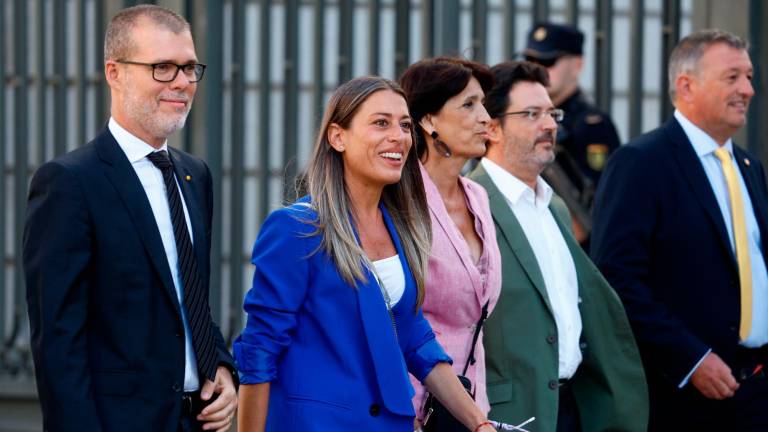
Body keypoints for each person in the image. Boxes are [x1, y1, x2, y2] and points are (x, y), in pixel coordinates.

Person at [233, 76, 496, 432]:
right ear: (337, 136)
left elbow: (414, 337)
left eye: (404, 125)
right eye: (380, 123)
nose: (398, 136)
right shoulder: (297, 228)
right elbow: (260, 349)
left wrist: (479, 424)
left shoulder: (399, 227)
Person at [23, 5, 237, 432]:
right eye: (162, 67)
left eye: (189, 67)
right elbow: (58, 345)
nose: (181, 82)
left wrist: (222, 367)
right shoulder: (69, 182)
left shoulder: (195, 176)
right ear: (114, 72)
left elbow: (188, 298)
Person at [591, 29, 768, 431]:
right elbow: (617, 278)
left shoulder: (748, 166)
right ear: (686, 85)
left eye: (750, 76)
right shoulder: (641, 162)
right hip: (683, 395)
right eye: (732, 77)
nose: (748, 89)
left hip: (755, 391)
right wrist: (689, 359)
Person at [466, 60, 648, 432]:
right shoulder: (470, 203)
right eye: (532, 114)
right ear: (493, 127)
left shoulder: (555, 207)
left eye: (552, 113)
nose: (550, 125)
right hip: (507, 416)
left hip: (573, 409)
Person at [398, 57, 502, 428]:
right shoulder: (399, 201)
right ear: (428, 121)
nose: (485, 118)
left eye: (484, 104)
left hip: (469, 409)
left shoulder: (478, 197)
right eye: (469, 105)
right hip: (407, 408)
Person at [523, 22, 621, 244]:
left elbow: (603, 202)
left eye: (548, 61)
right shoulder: (516, 119)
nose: (536, 69)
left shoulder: (593, 126)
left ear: (577, 65)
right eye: (529, 60)